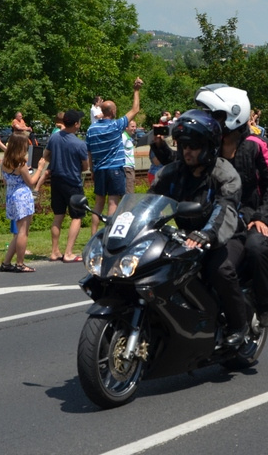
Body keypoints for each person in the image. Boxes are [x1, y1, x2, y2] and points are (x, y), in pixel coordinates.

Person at [148, 109, 250, 346]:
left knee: (219, 270)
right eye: (184, 146)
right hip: (187, 237)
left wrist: (207, 233)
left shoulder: (224, 173)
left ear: (208, 147)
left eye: (193, 146)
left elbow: (224, 208)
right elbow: (151, 201)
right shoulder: (173, 172)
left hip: (225, 236)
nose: (187, 151)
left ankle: (239, 325)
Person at [194, 83, 268, 327]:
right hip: (216, 217)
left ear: (234, 115)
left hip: (251, 217)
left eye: (214, 115)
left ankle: (264, 305)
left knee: (255, 249)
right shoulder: (208, 145)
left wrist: (263, 217)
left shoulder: (257, 145)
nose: (209, 120)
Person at [85, 77, 144, 236]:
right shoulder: (116, 125)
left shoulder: (91, 129)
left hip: (98, 169)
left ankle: (93, 235)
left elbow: (89, 151)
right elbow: (135, 109)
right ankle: (108, 234)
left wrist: (91, 169)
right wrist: (136, 90)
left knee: (98, 203)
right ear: (112, 112)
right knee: (113, 203)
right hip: (115, 170)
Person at [42, 109, 89, 263]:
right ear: (76, 124)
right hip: (73, 183)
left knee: (58, 216)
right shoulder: (79, 144)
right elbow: (85, 167)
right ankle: (68, 252)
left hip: (56, 180)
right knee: (77, 217)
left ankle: (54, 251)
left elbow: (46, 155)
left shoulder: (54, 138)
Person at [0, 134, 48, 273]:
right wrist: (39, 168)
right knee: (23, 232)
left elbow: (5, 181)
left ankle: (6, 262)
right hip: (22, 197)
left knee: (18, 232)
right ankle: (20, 263)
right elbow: (31, 183)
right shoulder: (21, 164)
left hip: (11, 196)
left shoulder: (4, 162)